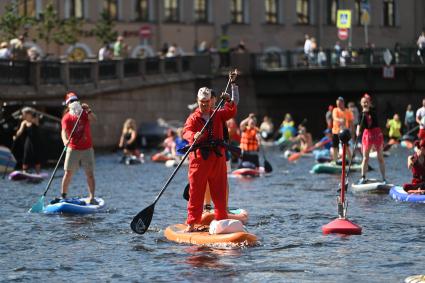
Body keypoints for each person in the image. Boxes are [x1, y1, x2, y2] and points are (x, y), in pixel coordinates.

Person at [182, 72, 238, 232]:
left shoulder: (218, 114)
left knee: (219, 192)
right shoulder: (193, 118)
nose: (204, 105)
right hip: (199, 160)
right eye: (201, 102)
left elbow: (232, 110)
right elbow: (186, 132)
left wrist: (231, 93)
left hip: (217, 159)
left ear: (212, 101)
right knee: (196, 193)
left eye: (207, 102)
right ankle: (191, 223)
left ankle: (221, 221)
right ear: (197, 102)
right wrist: (194, 135)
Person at [58, 92, 98, 205]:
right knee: (68, 173)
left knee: (90, 173)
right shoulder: (66, 118)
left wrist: (88, 110)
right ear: (68, 104)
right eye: (71, 101)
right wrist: (65, 141)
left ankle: (92, 197)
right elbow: (63, 132)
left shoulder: (84, 113)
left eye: (75, 100)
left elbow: (95, 119)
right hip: (73, 148)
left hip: (87, 148)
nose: (73, 102)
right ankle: (63, 195)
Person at [357, 95, 386, 184]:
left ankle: (384, 178)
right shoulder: (360, 115)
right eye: (364, 102)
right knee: (365, 158)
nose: (365, 103)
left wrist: (367, 112)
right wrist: (358, 131)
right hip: (367, 134)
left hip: (376, 133)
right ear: (361, 104)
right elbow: (359, 125)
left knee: (380, 157)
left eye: (367, 102)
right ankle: (363, 177)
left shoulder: (373, 111)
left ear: (369, 103)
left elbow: (374, 119)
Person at [13, 107, 41, 174]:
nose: (23, 115)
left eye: (24, 114)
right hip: (28, 141)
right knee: (26, 155)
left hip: (36, 141)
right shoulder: (24, 122)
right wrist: (16, 136)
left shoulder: (35, 120)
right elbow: (20, 131)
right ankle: (24, 171)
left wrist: (32, 114)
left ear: (29, 114)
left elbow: (36, 121)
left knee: (36, 156)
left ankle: (38, 173)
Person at [331, 96, 354, 163]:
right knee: (335, 146)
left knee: (346, 146)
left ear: (343, 103)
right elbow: (335, 118)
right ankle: (335, 161)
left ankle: (350, 161)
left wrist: (352, 132)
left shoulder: (348, 111)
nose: (338, 105)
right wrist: (340, 120)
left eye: (340, 103)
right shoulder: (335, 110)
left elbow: (351, 122)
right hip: (336, 131)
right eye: (337, 104)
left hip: (344, 132)